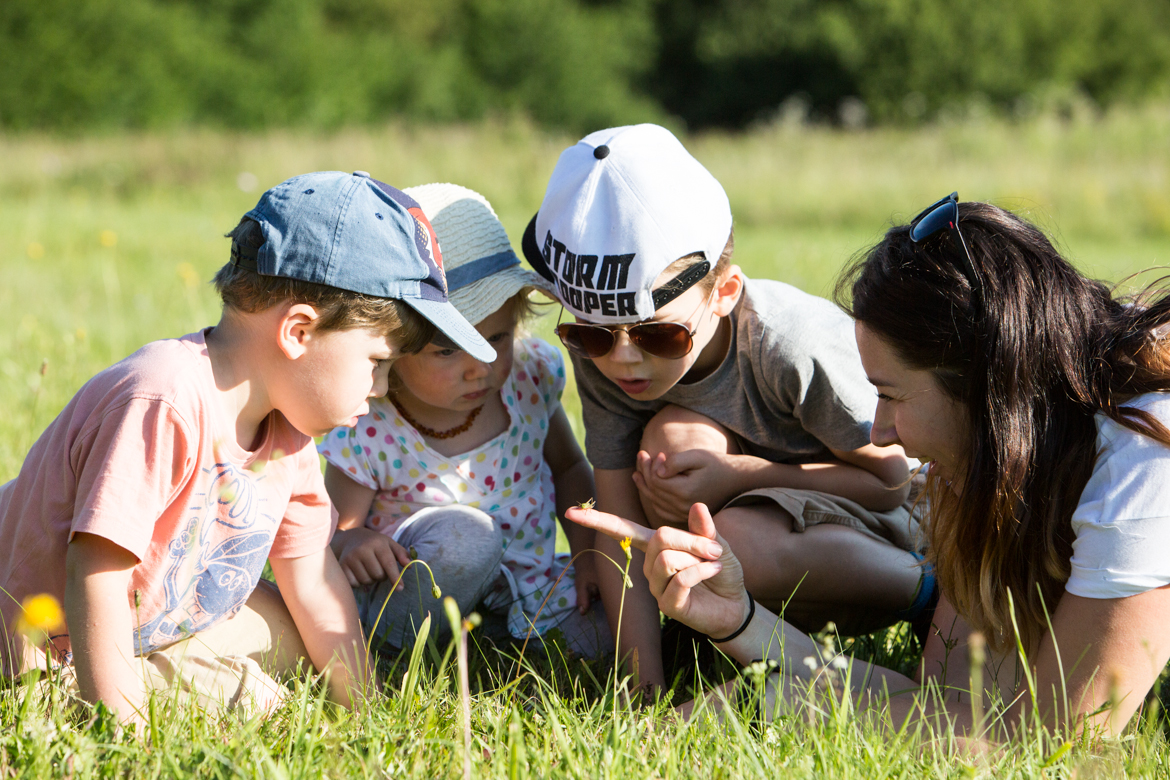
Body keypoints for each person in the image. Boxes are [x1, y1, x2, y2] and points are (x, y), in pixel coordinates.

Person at [568, 194, 1170, 739]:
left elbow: (1051, 743)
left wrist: (776, 702)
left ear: (988, 393)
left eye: (892, 395)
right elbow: (947, 702)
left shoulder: (1146, 463)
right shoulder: (1004, 449)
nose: (880, 432)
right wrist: (739, 622)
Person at [0, 171, 496, 724]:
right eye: (377, 363)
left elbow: (312, 579)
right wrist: (121, 729)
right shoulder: (164, 398)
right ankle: (116, 695)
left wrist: (364, 711)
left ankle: (181, 674)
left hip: (162, 611)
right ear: (299, 332)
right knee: (252, 696)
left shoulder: (289, 430)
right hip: (46, 643)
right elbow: (94, 574)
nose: (380, 389)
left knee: (297, 637)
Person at [520, 123, 926, 690]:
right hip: (759, 534)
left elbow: (894, 482)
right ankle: (705, 642)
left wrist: (738, 475)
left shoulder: (792, 345)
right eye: (590, 335)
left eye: (658, 335)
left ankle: (927, 596)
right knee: (671, 448)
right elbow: (620, 526)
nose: (621, 360)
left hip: (886, 532)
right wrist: (643, 690)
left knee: (726, 543)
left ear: (725, 292)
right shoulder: (612, 351)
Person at [319, 183, 609, 658]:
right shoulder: (371, 421)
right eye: (448, 350)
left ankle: (495, 648)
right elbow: (335, 530)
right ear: (395, 345)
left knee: (603, 629)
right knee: (466, 539)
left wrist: (587, 557)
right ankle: (395, 651)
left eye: (496, 338)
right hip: (415, 595)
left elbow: (570, 469)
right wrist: (353, 542)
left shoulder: (529, 379)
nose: (480, 366)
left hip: (525, 588)